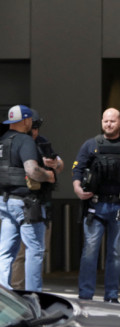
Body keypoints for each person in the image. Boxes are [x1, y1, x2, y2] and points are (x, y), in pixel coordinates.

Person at [72, 108, 120, 303]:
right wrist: (77, 189)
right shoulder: (91, 145)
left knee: (115, 253)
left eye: (112, 121)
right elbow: (77, 171)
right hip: (95, 206)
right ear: (101, 122)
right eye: (106, 121)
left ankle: (111, 297)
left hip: (119, 206)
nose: (108, 124)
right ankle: (85, 296)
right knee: (90, 252)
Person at [0, 104, 56, 291]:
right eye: (30, 120)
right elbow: (32, 170)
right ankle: (34, 297)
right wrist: (48, 175)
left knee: (6, 252)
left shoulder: (3, 141)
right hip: (26, 204)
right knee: (35, 251)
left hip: (5, 201)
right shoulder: (25, 141)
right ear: (25, 120)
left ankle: (3, 295)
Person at [11, 108, 64, 289]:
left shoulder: (42, 143)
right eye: (32, 127)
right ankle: (18, 291)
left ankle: (34, 292)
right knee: (19, 253)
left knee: (38, 251)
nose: (34, 132)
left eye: (36, 128)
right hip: (20, 203)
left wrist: (54, 164)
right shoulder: (16, 142)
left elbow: (60, 162)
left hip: (41, 204)